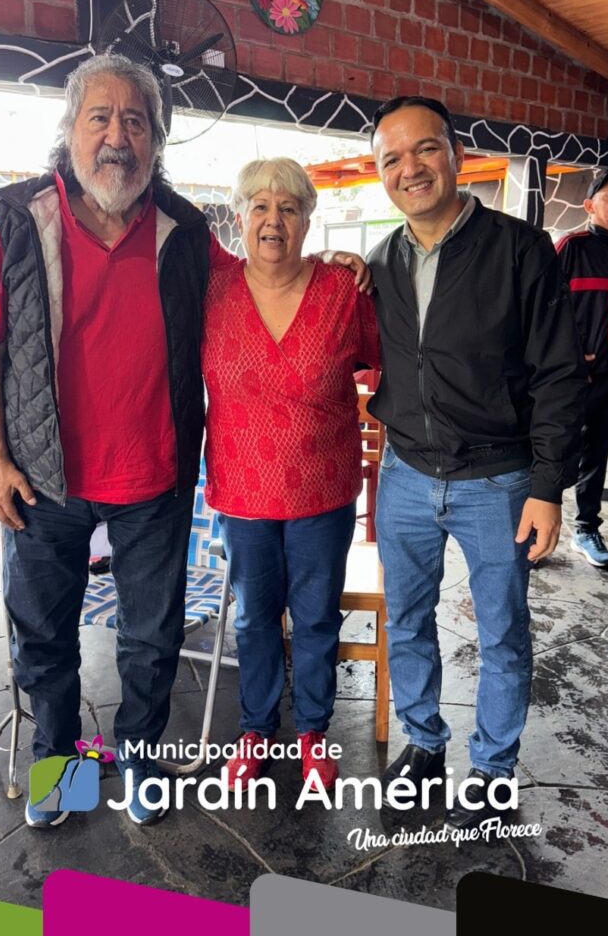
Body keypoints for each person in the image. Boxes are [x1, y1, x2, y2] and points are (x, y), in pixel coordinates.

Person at [0, 53, 236, 829]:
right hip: (44, 479)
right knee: (44, 641)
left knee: (150, 641)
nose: (118, 137)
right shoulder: (18, 220)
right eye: (100, 118)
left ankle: (143, 759)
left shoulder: (184, 230)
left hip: (155, 477)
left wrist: (327, 272)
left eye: (136, 121)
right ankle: (60, 768)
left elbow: (247, 293)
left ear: (157, 139)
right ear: (71, 131)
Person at [366, 96, 585, 831]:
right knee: (407, 622)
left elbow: (559, 375)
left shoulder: (519, 250)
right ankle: (425, 746)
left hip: (497, 481)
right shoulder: (381, 261)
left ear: (456, 155)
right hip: (403, 476)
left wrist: (548, 487)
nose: (410, 168)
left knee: (501, 631)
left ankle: (490, 770)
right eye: (391, 158)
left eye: (423, 149)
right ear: (380, 175)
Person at [202, 158, 380, 790]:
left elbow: (388, 365)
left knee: (315, 616)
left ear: (308, 219)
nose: (272, 220)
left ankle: (311, 730)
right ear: (240, 217)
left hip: (321, 489)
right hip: (243, 491)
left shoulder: (342, 291)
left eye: (288, 207)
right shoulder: (212, 288)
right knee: (253, 618)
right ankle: (255, 729)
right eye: (259, 206)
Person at [555, 167, 608, 569]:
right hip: (570, 376)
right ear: (589, 205)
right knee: (555, 450)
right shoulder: (571, 246)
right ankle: (538, 530)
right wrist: (570, 356)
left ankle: (586, 527)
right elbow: (544, 309)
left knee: (597, 452)